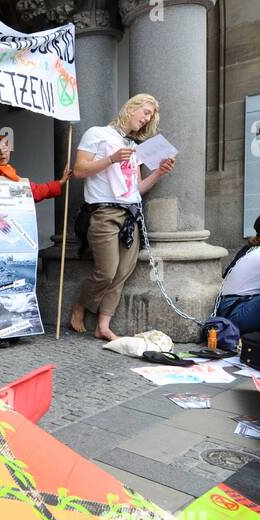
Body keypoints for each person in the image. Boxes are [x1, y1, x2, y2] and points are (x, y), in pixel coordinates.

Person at [68, 93, 176, 341]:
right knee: (106, 271)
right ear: (131, 108)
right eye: (146, 113)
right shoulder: (97, 134)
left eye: (151, 116)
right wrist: (111, 159)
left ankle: (103, 326)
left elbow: (137, 188)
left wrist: (158, 172)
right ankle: (81, 306)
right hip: (104, 211)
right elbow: (79, 170)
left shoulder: (134, 146)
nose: (147, 119)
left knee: (122, 273)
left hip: (130, 214)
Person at [0, 133, 71, 347]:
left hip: (12, 245)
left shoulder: (14, 178)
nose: (2, 152)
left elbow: (36, 191)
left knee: (13, 288)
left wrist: (59, 183)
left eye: (5, 147)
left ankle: (11, 330)